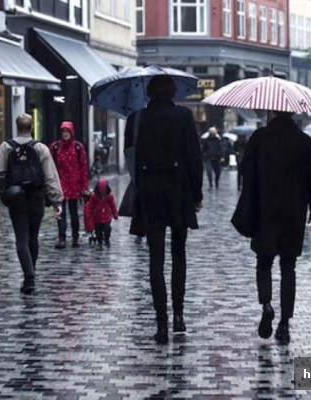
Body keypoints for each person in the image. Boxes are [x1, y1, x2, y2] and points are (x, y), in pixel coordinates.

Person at [124, 75, 203, 344]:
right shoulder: (183, 116)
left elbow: (130, 158)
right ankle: (179, 315)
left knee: (155, 258)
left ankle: (161, 323)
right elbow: (194, 156)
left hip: (150, 192)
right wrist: (197, 193)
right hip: (179, 190)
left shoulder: (136, 119)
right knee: (179, 253)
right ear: (172, 92)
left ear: (148, 92)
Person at [234, 110, 311, 344]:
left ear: (272, 111)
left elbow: (246, 171)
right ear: (292, 112)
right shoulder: (304, 141)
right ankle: (284, 324)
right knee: (288, 267)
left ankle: (267, 305)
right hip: (293, 210)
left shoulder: (259, 137)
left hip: (264, 208)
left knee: (264, 262)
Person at [0, 113, 63, 294]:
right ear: (31, 128)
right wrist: (56, 201)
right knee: (33, 237)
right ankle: (32, 272)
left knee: (21, 238)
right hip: (36, 197)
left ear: (17, 126)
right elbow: (50, 176)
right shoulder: (41, 148)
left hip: (16, 197)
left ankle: (29, 276)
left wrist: (4, 185)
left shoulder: (6, 147)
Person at [50, 122, 89, 249]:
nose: (65, 134)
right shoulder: (55, 147)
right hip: (60, 185)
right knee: (60, 212)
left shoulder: (78, 147)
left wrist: (84, 187)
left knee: (73, 213)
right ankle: (61, 237)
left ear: (71, 132)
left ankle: (75, 236)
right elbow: (50, 166)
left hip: (74, 185)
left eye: (67, 131)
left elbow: (83, 168)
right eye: (63, 131)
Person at [84, 178, 118, 249]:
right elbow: (90, 206)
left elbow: (113, 206)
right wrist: (88, 214)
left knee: (107, 228)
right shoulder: (94, 197)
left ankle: (107, 239)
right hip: (97, 217)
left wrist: (115, 214)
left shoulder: (109, 197)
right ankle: (99, 242)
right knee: (98, 231)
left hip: (106, 217)